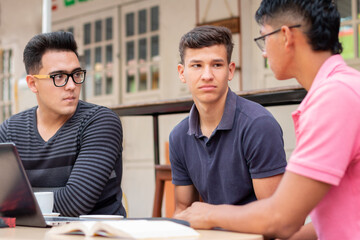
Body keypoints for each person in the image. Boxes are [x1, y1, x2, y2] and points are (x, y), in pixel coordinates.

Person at [174, 1, 360, 239]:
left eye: (264, 38)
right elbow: (332, 220)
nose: (264, 51)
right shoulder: (341, 89)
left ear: (285, 36)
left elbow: (281, 219)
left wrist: (208, 214)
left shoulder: (335, 98)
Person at [0, 31, 126, 217]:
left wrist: (13, 202)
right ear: (33, 84)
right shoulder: (10, 130)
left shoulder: (100, 122)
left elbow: (74, 202)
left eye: (76, 74)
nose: (71, 85)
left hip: (94, 235)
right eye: (58, 76)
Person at [169, 25, 287, 216]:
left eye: (217, 65)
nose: (207, 76)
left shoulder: (258, 125)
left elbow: (276, 216)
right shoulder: (179, 136)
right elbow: (183, 208)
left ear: (230, 70)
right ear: (182, 73)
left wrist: (213, 219)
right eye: (196, 65)